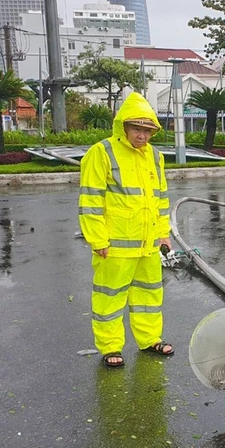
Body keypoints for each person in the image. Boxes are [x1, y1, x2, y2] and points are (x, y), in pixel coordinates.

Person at [78, 92, 174, 367]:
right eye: (137, 129)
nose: (142, 136)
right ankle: (110, 347)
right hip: (115, 244)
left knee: (149, 294)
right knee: (110, 297)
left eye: (147, 130)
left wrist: (163, 233)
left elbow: (160, 198)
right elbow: (91, 199)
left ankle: (150, 339)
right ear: (123, 126)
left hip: (147, 245)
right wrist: (97, 239)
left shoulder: (155, 157)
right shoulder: (102, 152)